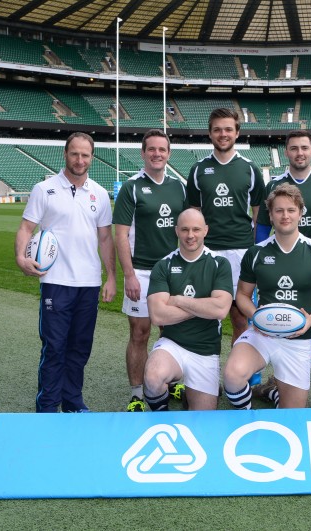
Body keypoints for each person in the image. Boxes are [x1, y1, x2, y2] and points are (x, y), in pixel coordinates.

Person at [15, 132, 116, 413]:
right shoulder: (44, 189)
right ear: (65, 154)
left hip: (89, 283)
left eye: (85, 155)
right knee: (55, 348)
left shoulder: (100, 193)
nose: (80, 160)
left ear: (92, 158)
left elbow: (105, 239)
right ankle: (47, 407)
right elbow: (26, 228)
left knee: (80, 348)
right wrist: (20, 258)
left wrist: (111, 276)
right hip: (56, 282)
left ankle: (72, 402)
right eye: (75, 154)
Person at [223, 183, 311, 409]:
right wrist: (256, 316)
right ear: (271, 215)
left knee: (292, 416)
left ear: (301, 213)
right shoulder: (256, 253)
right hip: (262, 335)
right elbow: (242, 295)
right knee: (233, 376)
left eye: (291, 210)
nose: (285, 215)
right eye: (279, 211)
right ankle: (247, 416)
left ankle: (275, 393)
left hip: (299, 339)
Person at [255, 130, 311, 408]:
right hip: (279, 264)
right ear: (286, 152)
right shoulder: (273, 185)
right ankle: (276, 381)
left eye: (304, 148)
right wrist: (260, 264)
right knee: (276, 322)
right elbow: (261, 226)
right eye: (294, 148)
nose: (300, 153)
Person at [113, 129, 187, 412]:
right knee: (140, 332)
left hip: (173, 272)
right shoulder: (131, 187)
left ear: (169, 154)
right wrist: (128, 274)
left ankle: (168, 381)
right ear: (143, 153)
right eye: (152, 149)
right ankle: (137, 393)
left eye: (162, 149)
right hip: (141, 272)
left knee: (173, 332)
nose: (157, 154)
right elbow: (120, 235)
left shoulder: (178, 187)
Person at [186, 108, 266, 346]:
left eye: (228, 129)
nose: (223, 134)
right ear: (210, 134)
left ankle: (240, 381)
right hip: (206, 253)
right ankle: (205, 377)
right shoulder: (198, 169)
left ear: (237, 132)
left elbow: (258, 213)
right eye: (217, 129)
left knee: (240, 319)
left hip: (240, 252)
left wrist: (253, 247)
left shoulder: (250, 168)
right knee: (204, 317)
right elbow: (194, 214)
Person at [144, 209, 234, 411]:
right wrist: (204, 307)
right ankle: (162, 417)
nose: (190, 235)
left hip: (205, 351)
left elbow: (220, 310)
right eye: (185, 229)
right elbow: (158, 315)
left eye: (196, 229)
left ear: (206, 231)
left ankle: (190, 394)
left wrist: (178, 300)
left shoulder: (220, 263)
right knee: (153, 376)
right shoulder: (164, 265)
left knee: (203, 424)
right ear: (176, 231)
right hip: (172, 344)